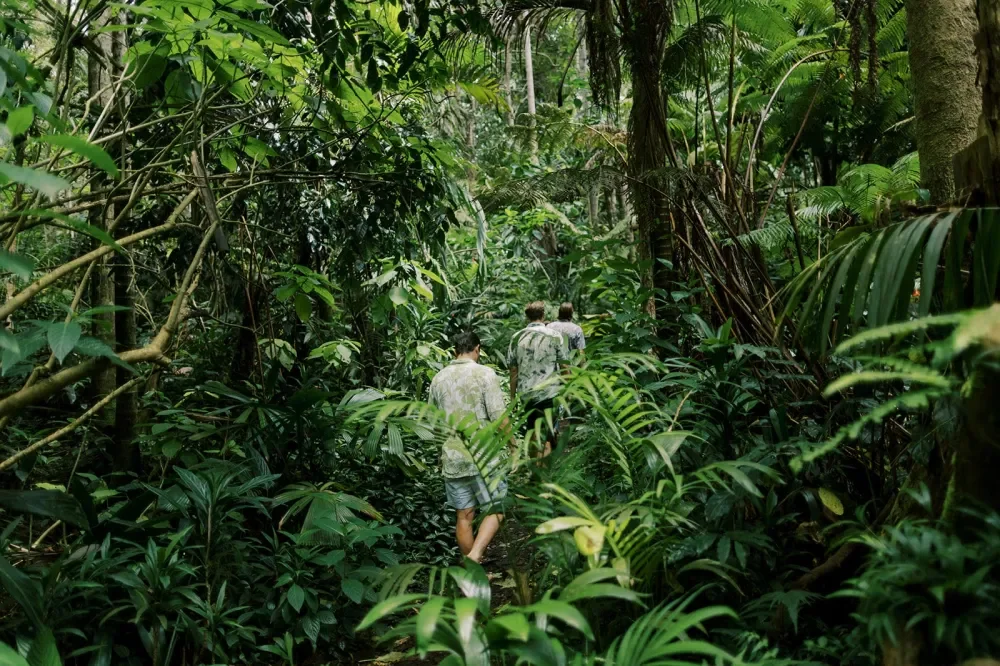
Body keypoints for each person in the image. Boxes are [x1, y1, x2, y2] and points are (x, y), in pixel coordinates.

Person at [428, 331, 508, 563]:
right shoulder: (485, 374)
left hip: (453, 456)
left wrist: (441, 452)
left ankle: (473, 570)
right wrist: (512, 445)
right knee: (497, 507)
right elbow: (498, 416)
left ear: (455, 351)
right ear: (477, 349)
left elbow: (434, 422)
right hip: (485, 457)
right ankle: (475, 554)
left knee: (464, 516)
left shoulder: (439, 378)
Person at [508, 301, 568, 457]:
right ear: (543, 315)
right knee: (547, 434)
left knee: (533, 430)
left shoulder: (517, 337)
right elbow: (564, 366)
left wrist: (513, 397)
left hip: (527, 394)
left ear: (527, 317)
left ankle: (536, 469)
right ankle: (542, 471)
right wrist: (568, 389)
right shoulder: (555, 336)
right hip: (549, 392)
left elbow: (513, 370)